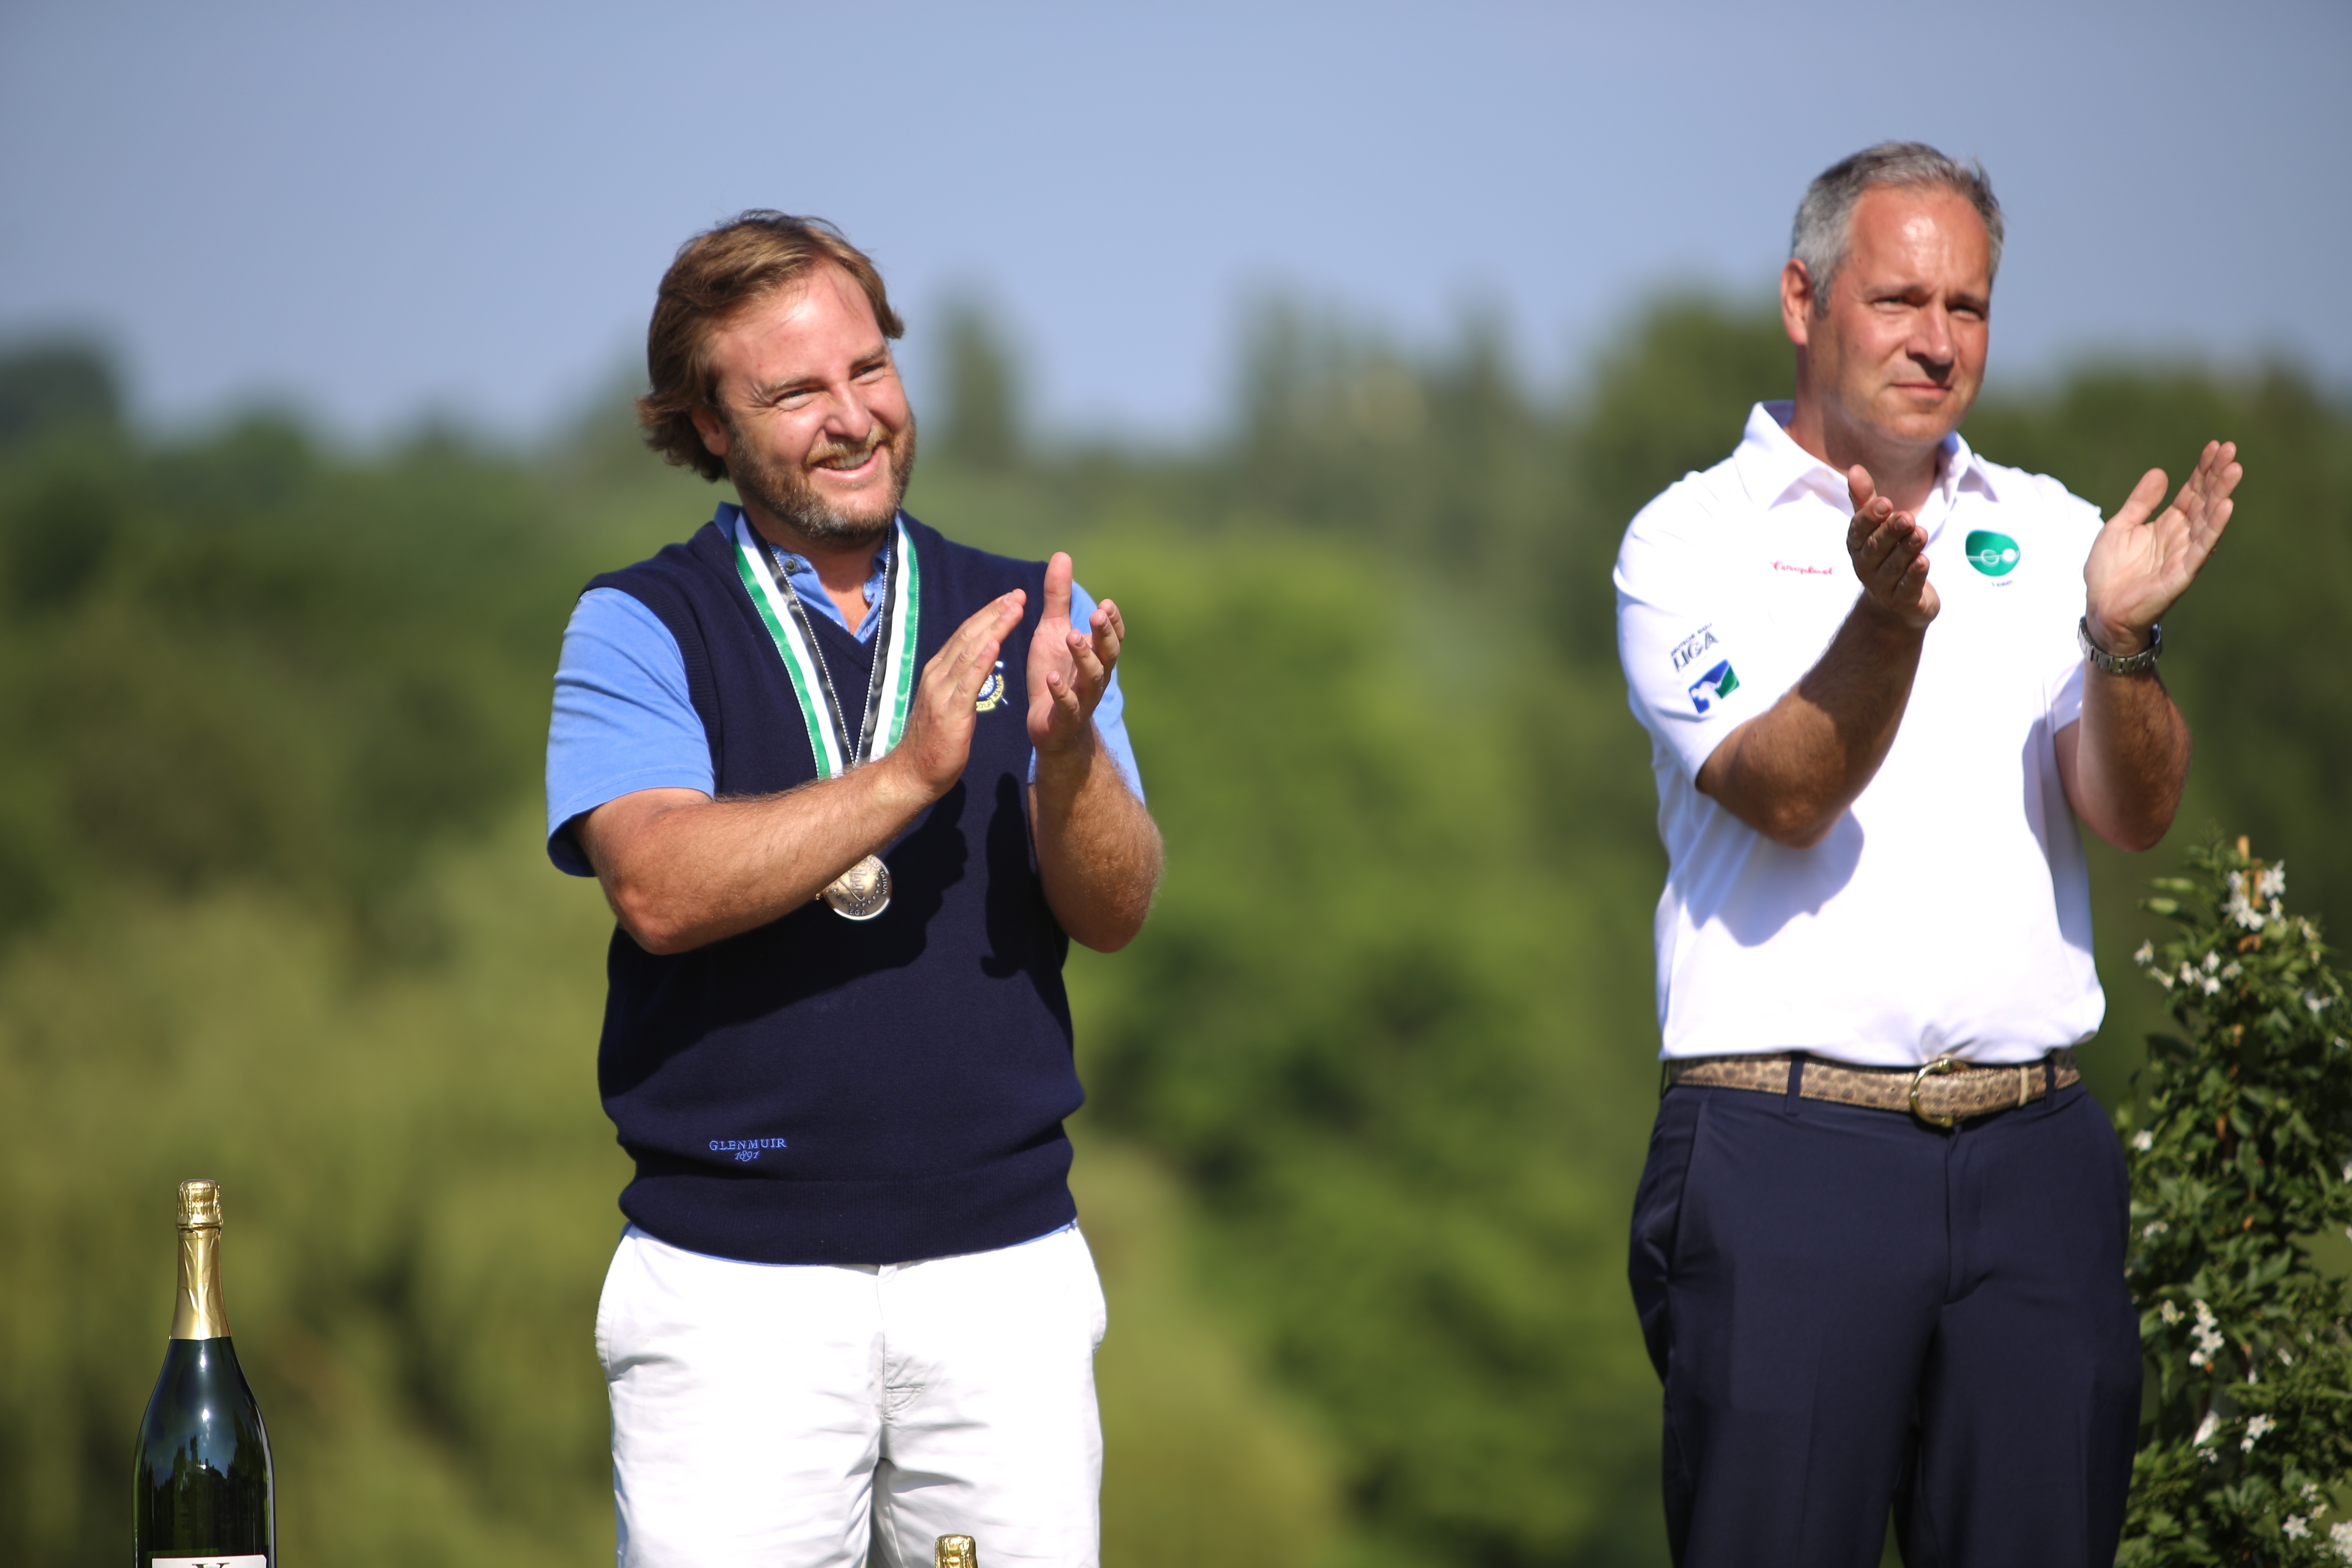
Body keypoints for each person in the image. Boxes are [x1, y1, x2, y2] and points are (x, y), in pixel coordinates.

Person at [1614, 143, 2238, 1568]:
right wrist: (1887, 623)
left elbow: (2134, 811)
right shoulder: (1688, 540)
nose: (1937, 341)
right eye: (1900, 300)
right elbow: (1784, 794)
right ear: (1803, 300)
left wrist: (2122, 642)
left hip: (2033, 1156)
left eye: (1969, 307)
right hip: (1784, 1154)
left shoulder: (2051, 529)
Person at [543, 211, 1163, 1568]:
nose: (853, 416)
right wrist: (910, 775)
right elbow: (657, 887)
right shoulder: (641, 625)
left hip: (1002, 1276)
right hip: (732, 1291)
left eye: (870, 369)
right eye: (795, 393)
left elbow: (1116, 910)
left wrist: (1067, 765)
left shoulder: (1033, 611)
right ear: (706, 428)